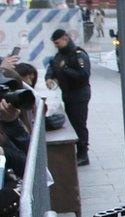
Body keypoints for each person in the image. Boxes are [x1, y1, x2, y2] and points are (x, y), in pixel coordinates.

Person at [45, 29, 91, 166]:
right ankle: (77, 152)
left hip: (79, 93)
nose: (56, 46)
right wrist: (49, 78)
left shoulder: (78, 55)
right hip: (68, 93)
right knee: (73, 123)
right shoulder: (60, 55)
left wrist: (65, 69)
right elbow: (52, 67)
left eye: (57, 43)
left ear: (65, 39)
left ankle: (83, 154)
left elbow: (83, 75)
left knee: (79, 123)